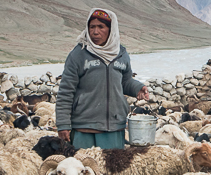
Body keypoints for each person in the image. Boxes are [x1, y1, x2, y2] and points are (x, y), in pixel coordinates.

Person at [56, 8, 150, 150]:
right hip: (84, 129)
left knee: (112, 171)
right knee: (84, 169)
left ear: (111, 29)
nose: (95, 32)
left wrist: (138, 87)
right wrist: (63, 125)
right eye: (92, 27)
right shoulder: (78, 54)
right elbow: (65, 91)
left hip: (114, 128)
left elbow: (125, 81)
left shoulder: (121, 54)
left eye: (101, 27)